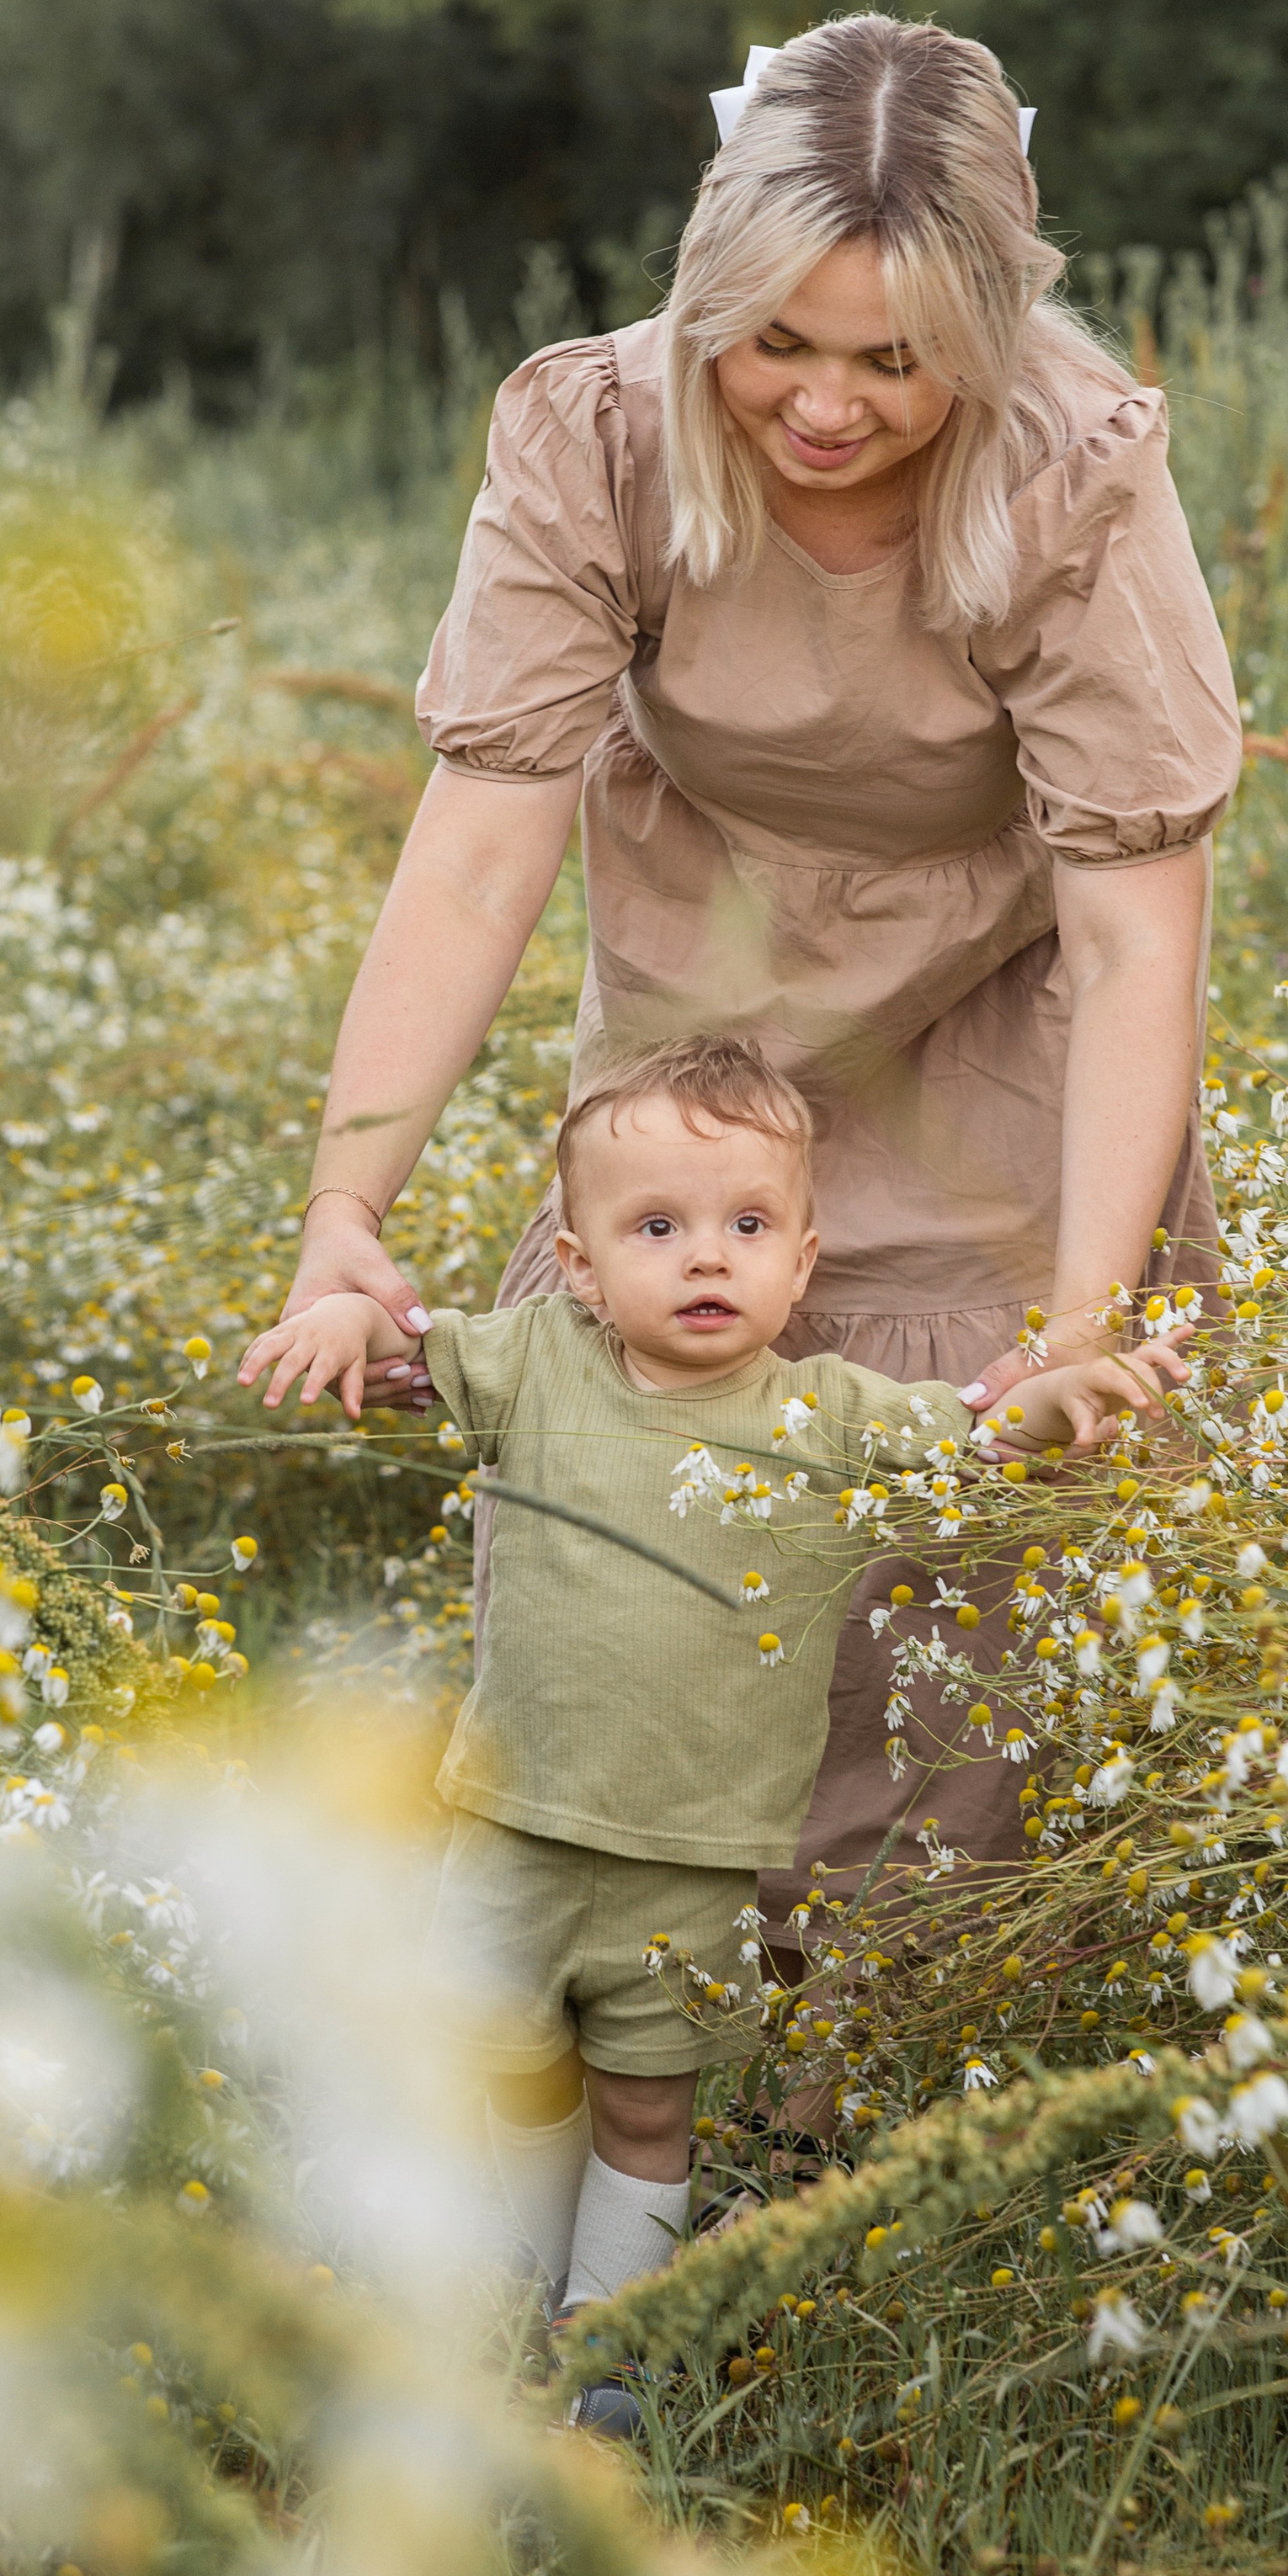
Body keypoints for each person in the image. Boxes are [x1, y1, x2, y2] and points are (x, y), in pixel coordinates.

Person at [278, 9, 1238, 1952]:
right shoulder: (598, 432)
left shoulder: (1068, 478)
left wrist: (1076, 1316)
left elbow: (1139, 923)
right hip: (704, 1044)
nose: (820, 404)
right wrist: (341, 1209)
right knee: (648, 1551)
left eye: (895, 361)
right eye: (773, 342)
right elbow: (477, 849)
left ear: (980, 331)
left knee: (950, 1633)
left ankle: (856, 2129)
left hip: (993, 1053)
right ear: (705, 290)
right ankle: (638, 2072)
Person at [240, 1037, 1190, 2427]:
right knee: (507, 2069)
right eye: (658, 1228)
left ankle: (618, 2327)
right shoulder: (539, 1367)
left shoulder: (822, 1418)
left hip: (691, 1861)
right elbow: (413, 1344)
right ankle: (508, 2268)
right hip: (515, 1829)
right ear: (578, 1265)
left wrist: (1049, 1395)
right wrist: (346, 1322)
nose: (705, 1259)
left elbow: (975, 1435)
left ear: (803, 1266)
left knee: (646, 2110)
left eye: (747, 1228)